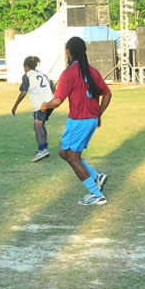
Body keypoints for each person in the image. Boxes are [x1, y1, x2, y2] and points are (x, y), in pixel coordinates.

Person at [41, 37, 112, 206]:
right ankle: (96, 177)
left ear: (68, 52)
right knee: (63, 152)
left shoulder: (69, 73)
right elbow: (107, 94)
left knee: (73, 157)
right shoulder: (93, 71)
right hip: (90, 120)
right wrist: (98, 113)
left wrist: (45, 106)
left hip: (79, 120)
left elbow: (57, 100)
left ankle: (96, 194)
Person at [11, 56, 55, 162]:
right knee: (41, 124)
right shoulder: (43, 74)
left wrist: (15, 105)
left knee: (37, 124)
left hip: (40, 104)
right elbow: (53, 88)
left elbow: (24, 91)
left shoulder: (27, 75)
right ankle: (45, 147)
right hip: (50, 102)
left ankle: (42, 149)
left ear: (26, 66)